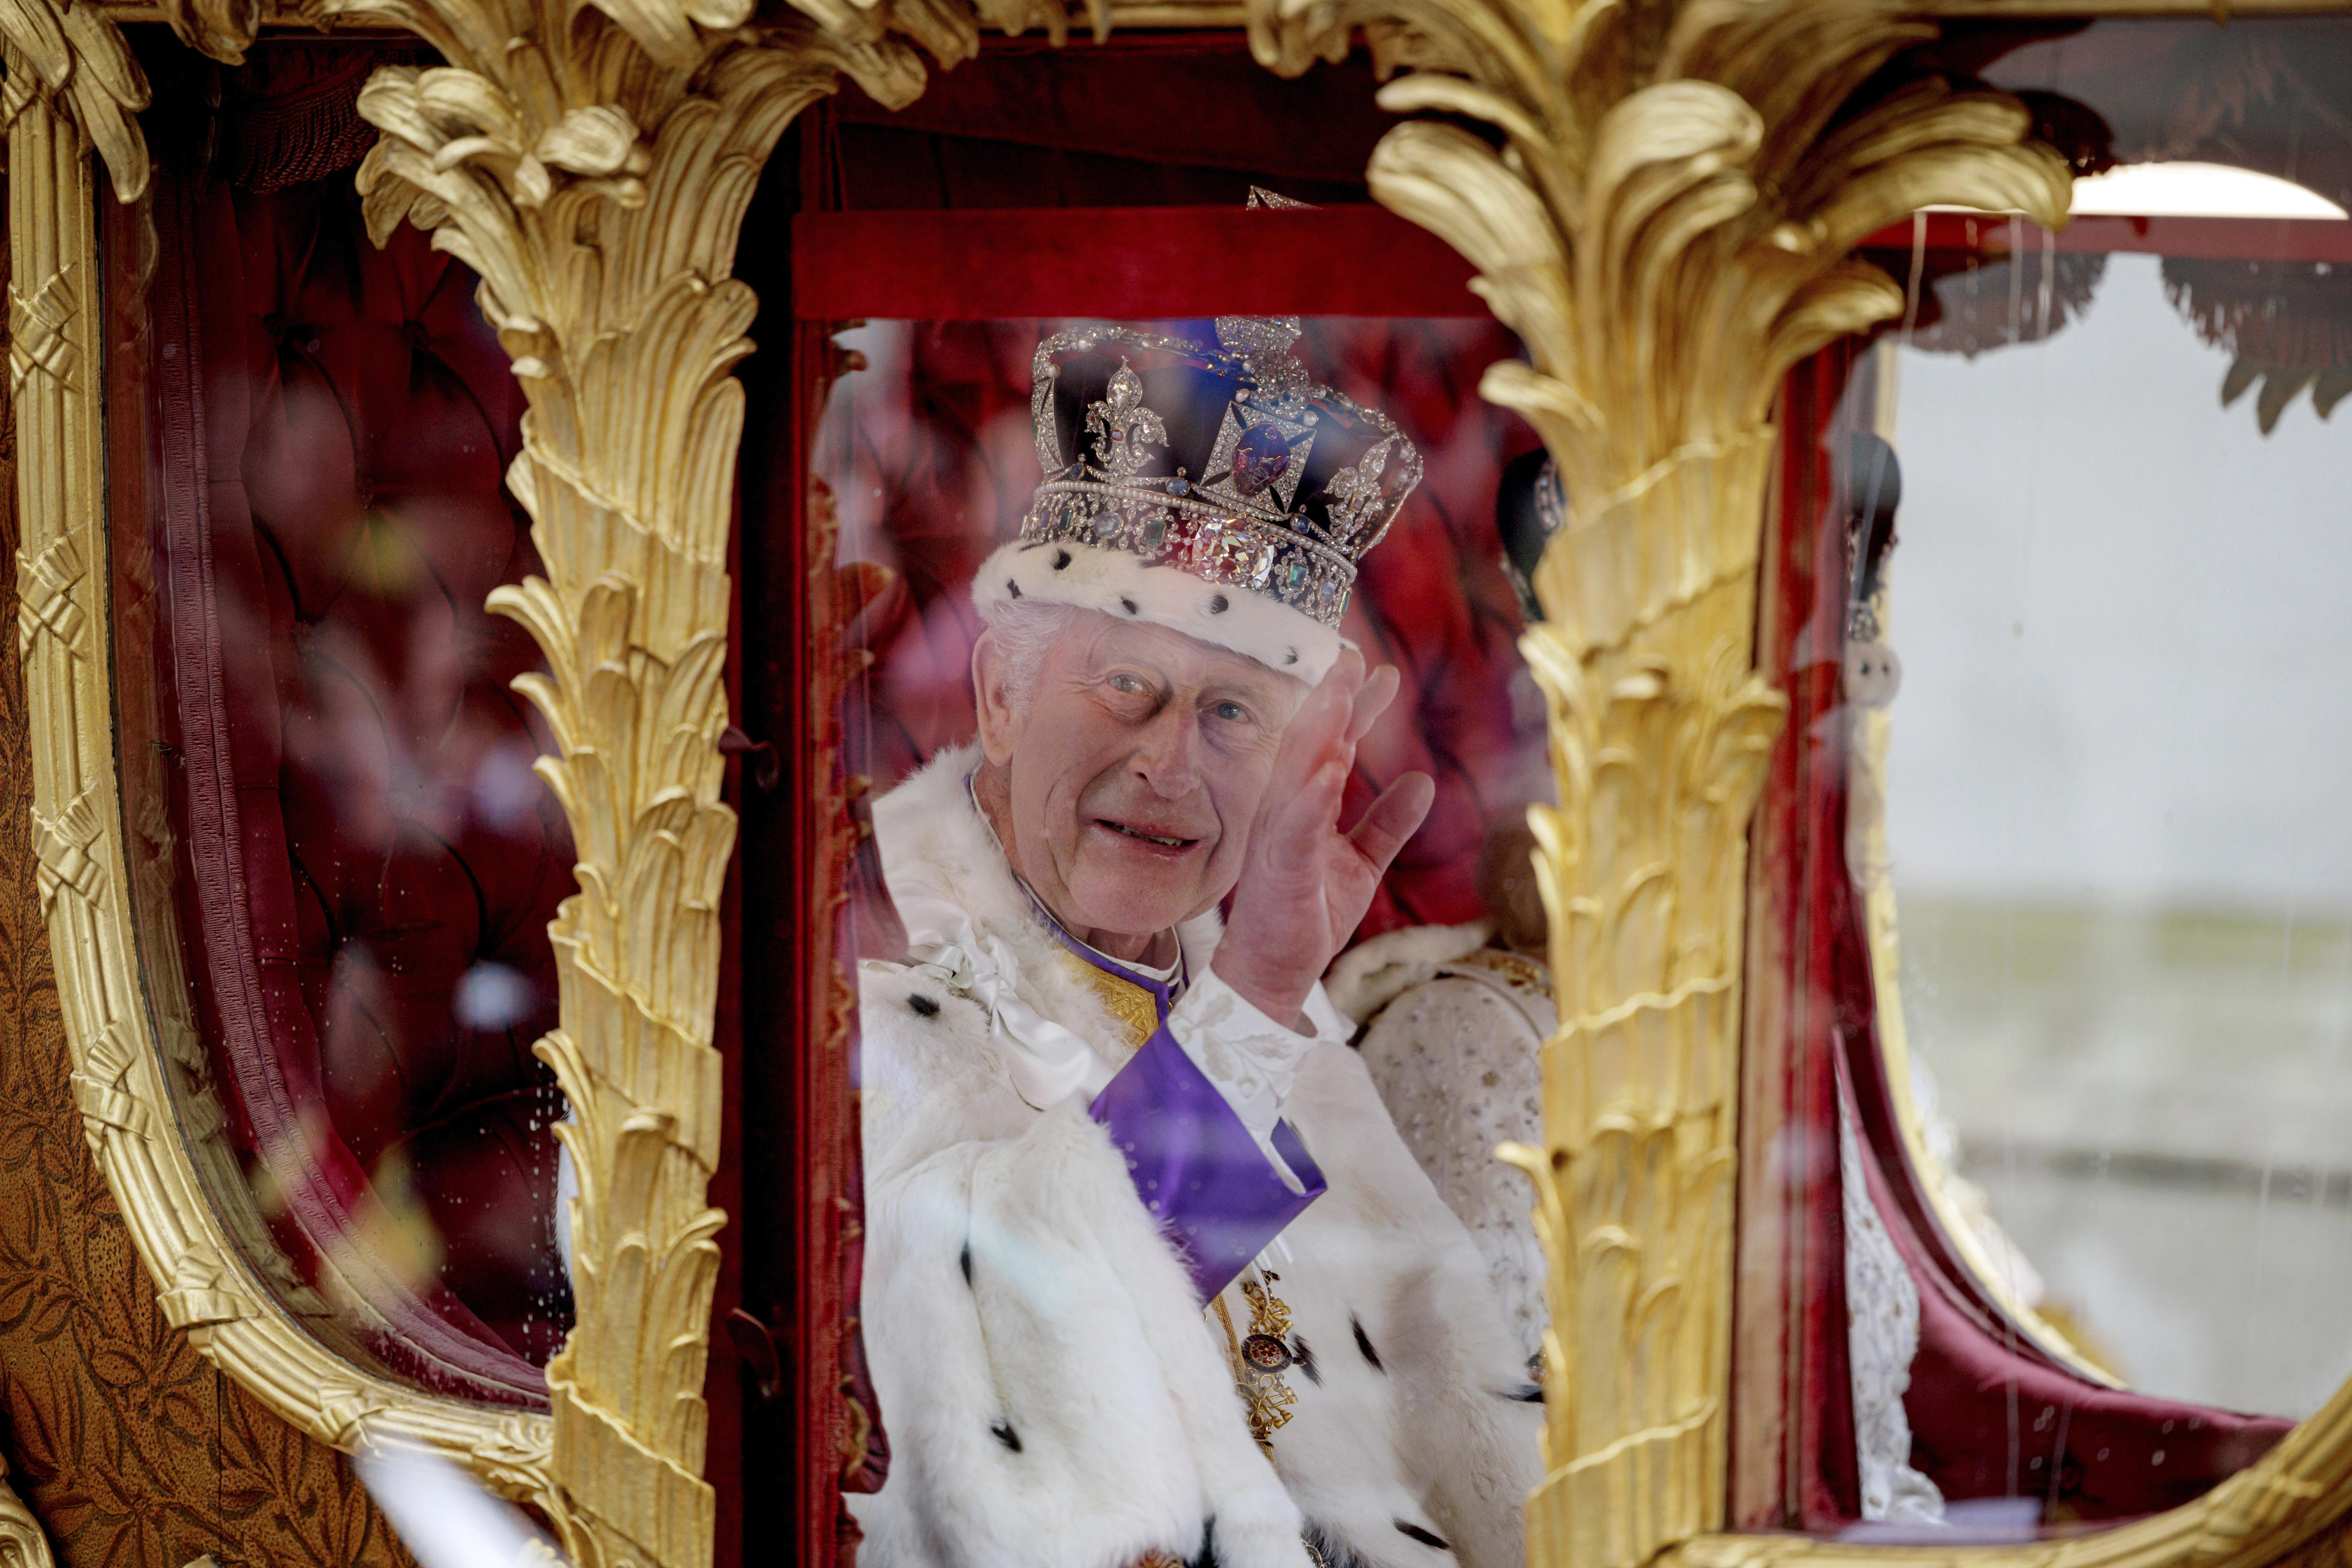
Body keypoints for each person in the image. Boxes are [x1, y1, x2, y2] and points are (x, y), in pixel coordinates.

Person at [850, 317, 1542, 1568]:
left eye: (1234, 712)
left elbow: (1471, 1450)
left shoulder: (1271, 1012)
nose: (1171, 763)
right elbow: (1004, 1396)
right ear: (1002, 697)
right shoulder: (883, 973)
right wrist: (1258, 999)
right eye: (1128, 687)